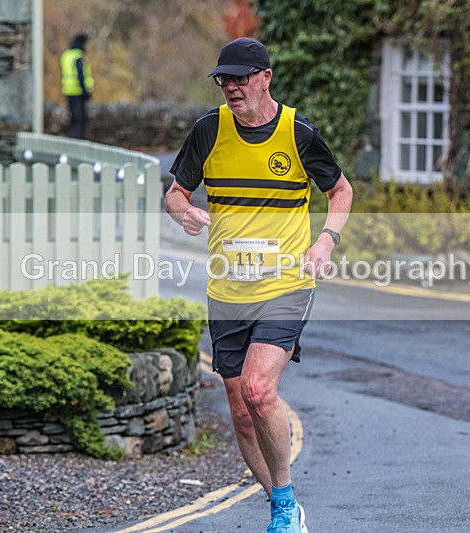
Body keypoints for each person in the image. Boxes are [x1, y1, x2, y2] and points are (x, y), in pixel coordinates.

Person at [165, 37, 353, 533]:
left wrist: (325, 242)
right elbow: (175, 192)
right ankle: (280, 503)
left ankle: (286, 503)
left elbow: (340, 189)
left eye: (240, 78)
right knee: (241, 409)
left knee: (259, 388)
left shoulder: (297, 133)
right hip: (228, 289)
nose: (231, 87)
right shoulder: (209, 130)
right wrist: (184, 211)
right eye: (224, 80)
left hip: (286, 282)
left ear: (265, 78)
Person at [60, 32, 94, 139]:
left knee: (72, 118)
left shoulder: (66, 55)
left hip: (67, 90)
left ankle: (71, 139)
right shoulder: (78, 56)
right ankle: (78, 141)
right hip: (77, 91)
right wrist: (85, 91)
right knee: (80, 119)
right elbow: (81, 75)